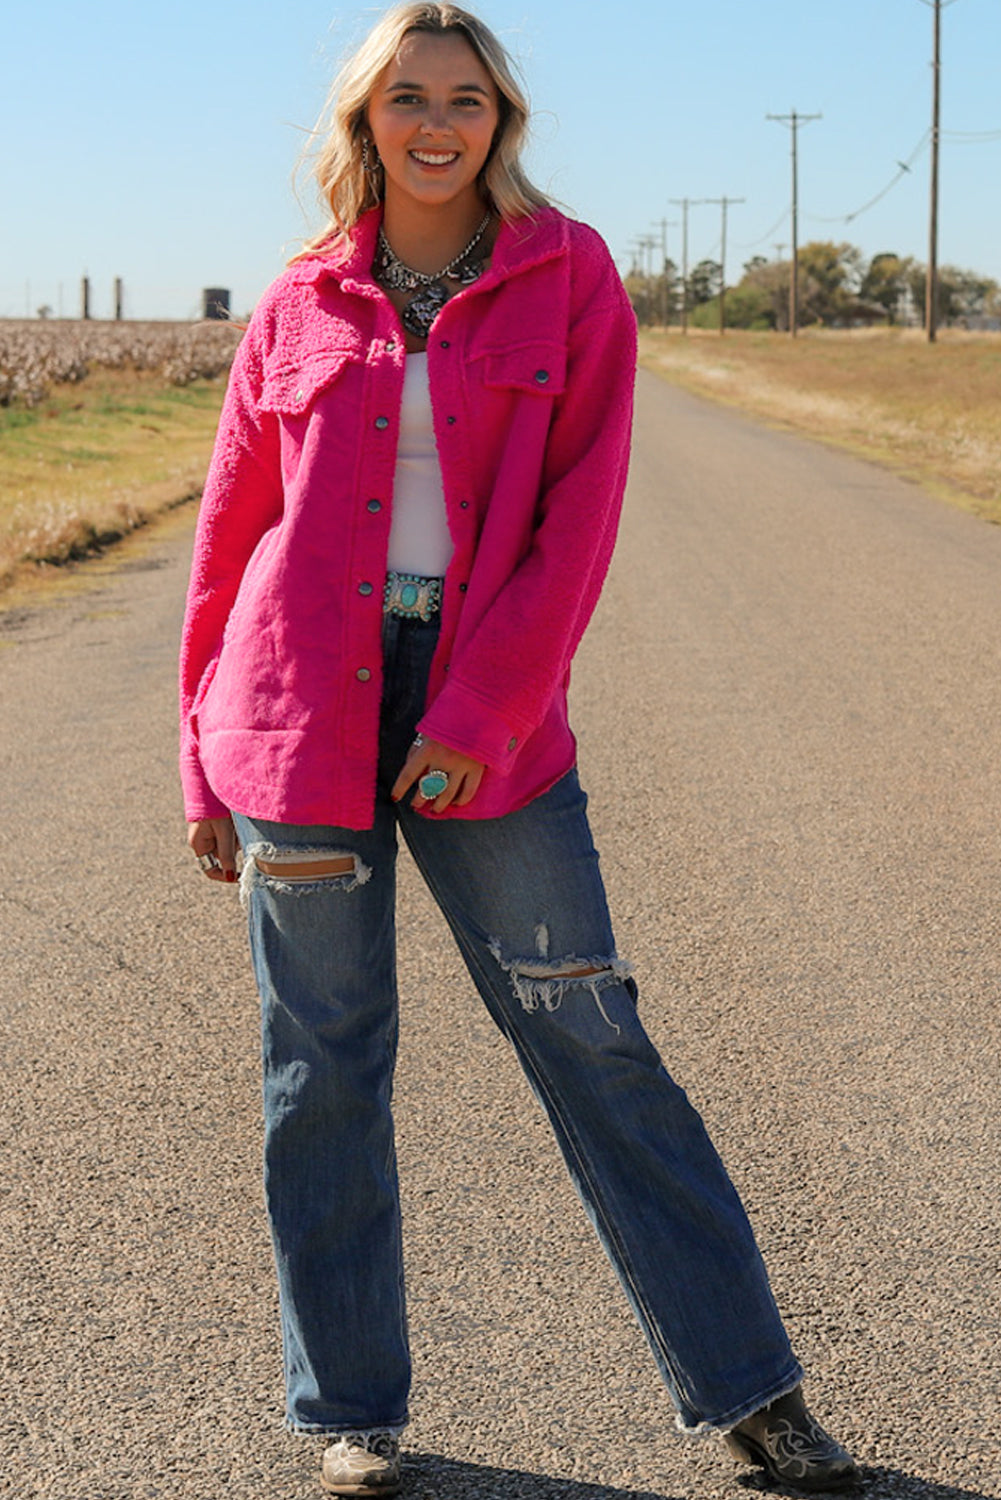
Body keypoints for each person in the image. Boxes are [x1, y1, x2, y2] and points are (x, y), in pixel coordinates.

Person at [179, 4, 858, 1494]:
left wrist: (475, 717)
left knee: (591, 1035)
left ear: (502, 121)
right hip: (294, 713)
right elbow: (231, 538)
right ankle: (347, 1412)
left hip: (484, 710)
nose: (437, 124)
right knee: (319, 1069)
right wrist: (200, 761)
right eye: (407, 98)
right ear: (365, 121)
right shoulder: (298, 298)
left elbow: (579, 517)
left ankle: (755, 1394)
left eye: (466, 100)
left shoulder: (569, 274)